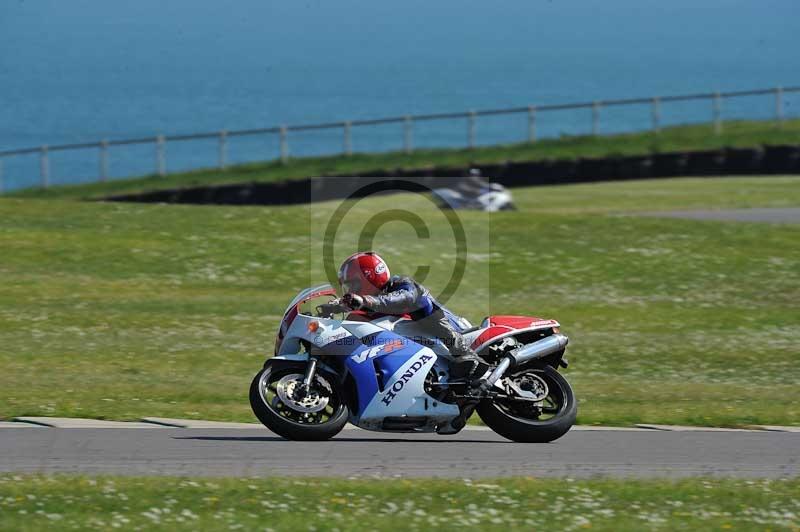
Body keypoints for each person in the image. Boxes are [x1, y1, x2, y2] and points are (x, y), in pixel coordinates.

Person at [337, 251, 489, 381]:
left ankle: (464, 352)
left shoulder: (401, 285)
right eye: (348, 287)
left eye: (353, 285)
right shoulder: (368, 308)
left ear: (370, 277)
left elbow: (402, 298)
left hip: (457, 330)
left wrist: (365, 300)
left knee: (421, 303)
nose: (351, 290)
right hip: (416, 344)